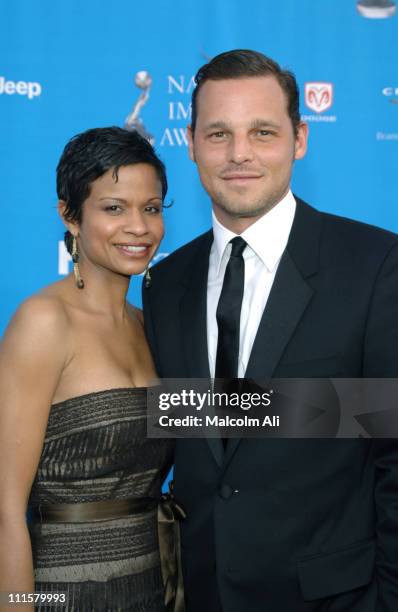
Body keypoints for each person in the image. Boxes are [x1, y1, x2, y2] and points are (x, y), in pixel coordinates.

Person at [142, 50, 398, 611]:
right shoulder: (165, 282)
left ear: (299, 139)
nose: (240, 154)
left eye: (262, 132)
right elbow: (197, 439)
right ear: (190, 143)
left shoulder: (375, 265)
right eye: (218, 134)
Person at [0, 127, 174, 612]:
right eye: (114, 208)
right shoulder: (43, 323)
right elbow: (3, 511)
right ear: (69, 216)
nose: (139, 227)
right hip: (62, 594)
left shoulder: (151, 328)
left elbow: (237, 413)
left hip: (151, 587)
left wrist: (367, 407)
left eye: (152, 208)